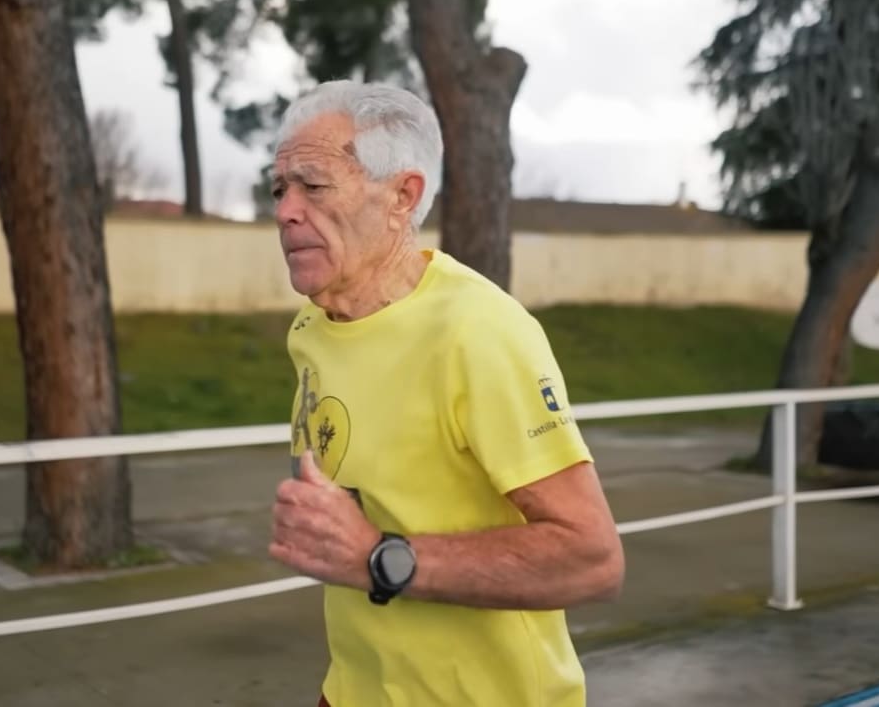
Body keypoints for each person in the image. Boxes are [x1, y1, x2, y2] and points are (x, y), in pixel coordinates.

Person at [268, 79, 625, 707]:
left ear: (402, 196)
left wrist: (378, 559)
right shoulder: (313, 330)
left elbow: (592, 558)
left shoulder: (478, 332)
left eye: (314, 186)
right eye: (279, 188)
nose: (285, 211)